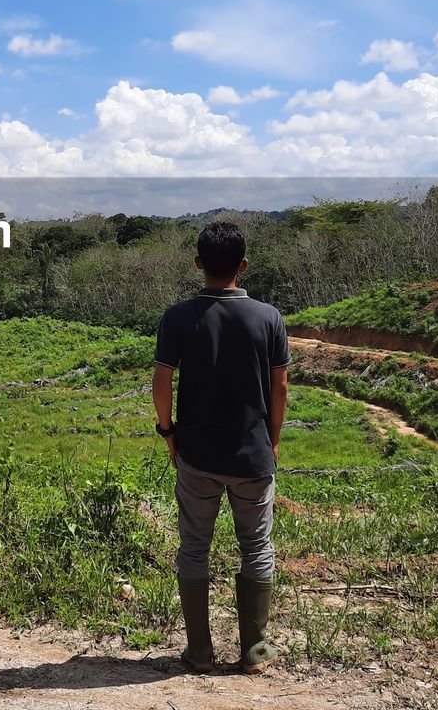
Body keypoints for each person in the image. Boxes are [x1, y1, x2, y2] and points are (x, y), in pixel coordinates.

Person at [151, 221, 290, 674]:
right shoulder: (268, 317)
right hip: (253, 454)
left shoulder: (179, 317)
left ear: (198, 265)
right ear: (243, 265)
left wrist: (169, 432)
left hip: (197, 455)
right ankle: (254, 654)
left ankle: (200, 652)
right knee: (257, 547)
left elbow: (162, 381)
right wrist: (272, 441)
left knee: (194, 546)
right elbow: (280, 387)